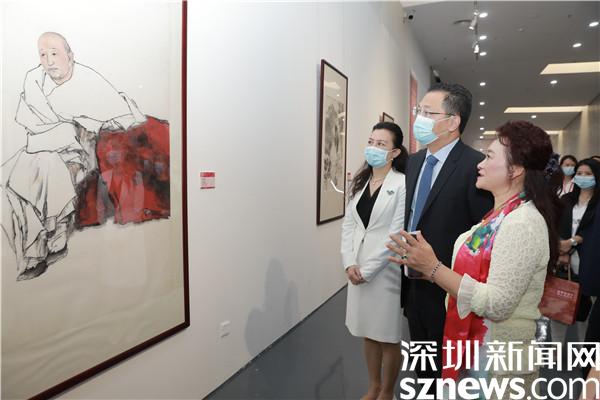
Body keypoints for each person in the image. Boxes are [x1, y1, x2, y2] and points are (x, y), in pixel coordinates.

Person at [388, 121, 561, 399]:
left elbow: (497, 304)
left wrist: (433, 268)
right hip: (475, 350)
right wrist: (425, 264)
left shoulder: (521, 223)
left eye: (490, 157)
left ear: (515, 170)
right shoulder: (497, 216)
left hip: (498, 364)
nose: (480, 164)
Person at [1, 32, 168, 281]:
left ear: (70, 55)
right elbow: (27, 118)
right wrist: (58, 127)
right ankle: (47, 243)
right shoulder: (33, 80)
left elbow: (122, 115)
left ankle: (40, 250)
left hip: (74, 151)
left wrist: (76, 124)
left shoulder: (89, 81)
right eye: (43, 55)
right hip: (36, 147)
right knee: (10, 176)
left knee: (42, 166)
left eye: (55, 53)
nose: (49, 61)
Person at [400, 83, 493, 386]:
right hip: (413, 285)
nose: (419, 119)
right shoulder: (415, 162)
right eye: (419, 111)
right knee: (422, 368)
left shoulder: (475, 166)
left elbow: (482, 234)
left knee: (449, 374)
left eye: (428, 113)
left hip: (450, 289)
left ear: (453, 122)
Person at [341, 121, 407, 400]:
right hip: (357, 268)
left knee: (387, 335)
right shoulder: (360, 183)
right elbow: (349, 226)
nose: (373, 148)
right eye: (371, 142)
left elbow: (397, 232)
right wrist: (349, 263)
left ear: (394, 152)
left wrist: (367, 271)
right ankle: (374, 386)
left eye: (381, 144)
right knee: (367, 331)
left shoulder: (402, 184)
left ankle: (387, 391)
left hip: (385, 270)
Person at [552, 159, 600, 345]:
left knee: (586, 310)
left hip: (590, 262)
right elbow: (554, 225)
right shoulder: (566, 200)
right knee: (559, 305)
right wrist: (561, 248)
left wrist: (573, 241)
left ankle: (583, 349)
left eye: (588, 174)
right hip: (564, 262)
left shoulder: (597, 204)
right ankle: (555, 349)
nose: (583, 177)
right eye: (579, 173)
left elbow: (592, 232)